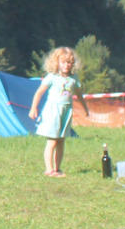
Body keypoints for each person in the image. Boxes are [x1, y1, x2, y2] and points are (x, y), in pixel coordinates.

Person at [29, 46, 91, 177]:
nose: (66, 65)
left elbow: (79, 94)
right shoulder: (52, 77)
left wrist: (85, 108)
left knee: (61, 140)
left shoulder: (73, 79)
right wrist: (33, 108)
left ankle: (57, 169)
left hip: (66, 111)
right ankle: (49, 170)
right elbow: (39, 92)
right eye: (63, 62)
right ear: (56, 62)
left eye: (69, 62)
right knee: (52, 140)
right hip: (53, 111)